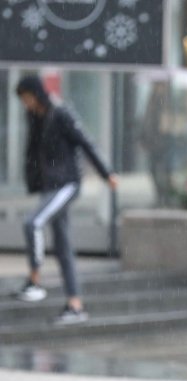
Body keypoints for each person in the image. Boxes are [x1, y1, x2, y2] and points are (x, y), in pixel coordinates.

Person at [15, 75, 118, 324]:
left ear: (35, 93)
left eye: (27, 97)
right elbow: (33, 151)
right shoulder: (35, 117)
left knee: (33, 223)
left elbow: (85, 142)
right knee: (63, 248)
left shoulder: (60, 114)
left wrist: (106, 173)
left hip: (66, 184)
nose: (25, 103)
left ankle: (34, 281)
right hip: (49, 186)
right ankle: (75, 305)